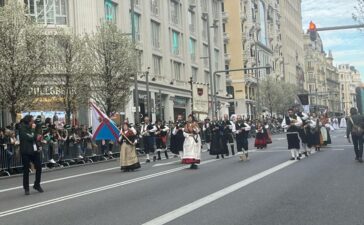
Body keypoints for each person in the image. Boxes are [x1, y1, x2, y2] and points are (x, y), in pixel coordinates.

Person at [19, 115, 44, 195]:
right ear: (28, 121)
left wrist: (38, 137)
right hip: (26, 151)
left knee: (39, 167)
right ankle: (26, 188)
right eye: (32, 121)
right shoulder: (22, 128)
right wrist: (33, 129)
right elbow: (30, 137)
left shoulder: (33, 127)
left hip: (34, 150)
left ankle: (37, 184)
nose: (33, 122)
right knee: (26, 170)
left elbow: (36, 136)